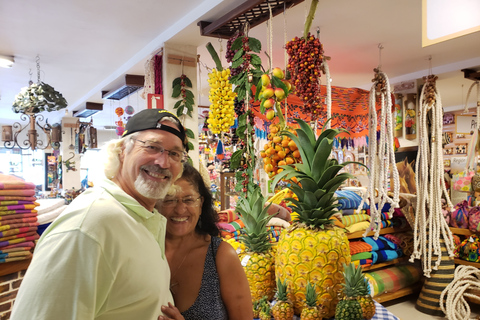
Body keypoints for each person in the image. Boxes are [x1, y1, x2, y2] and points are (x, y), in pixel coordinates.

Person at [11, 109, 188, 320]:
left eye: (175, 154)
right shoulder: (88, 226)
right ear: (122, 151)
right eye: (152, 147)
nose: (163, 162)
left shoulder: (141, 218)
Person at [157, 163, 253, 320]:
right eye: (169, 200)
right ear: (156, 203)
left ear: (201, 204)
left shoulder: (221, 256)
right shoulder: (144, 250)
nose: (180, 209)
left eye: (188, 200)